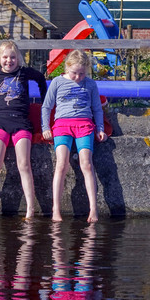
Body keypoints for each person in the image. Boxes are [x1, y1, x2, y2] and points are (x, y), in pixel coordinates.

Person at [0, 40, 48, 219]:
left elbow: (40, 78)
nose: (9, 61)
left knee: (23, 164)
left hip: (21, 123)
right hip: (0, 122)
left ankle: (30, 208)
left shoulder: (24, 73)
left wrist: (44, 99)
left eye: (13, 57)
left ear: (19, 59)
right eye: (6, 57)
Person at [40, 50, 105, 222]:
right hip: (62, 125)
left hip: (84, 125)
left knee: (87, 164)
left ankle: (93, 209)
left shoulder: (90, 84)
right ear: (67, 68)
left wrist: (100, 128)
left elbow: (97, 108)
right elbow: (46, 107)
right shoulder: (57, 82)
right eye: (74, 73)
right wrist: (45, 127)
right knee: (61, 164)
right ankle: (56, 209)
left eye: (82, 73)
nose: (78, 77)